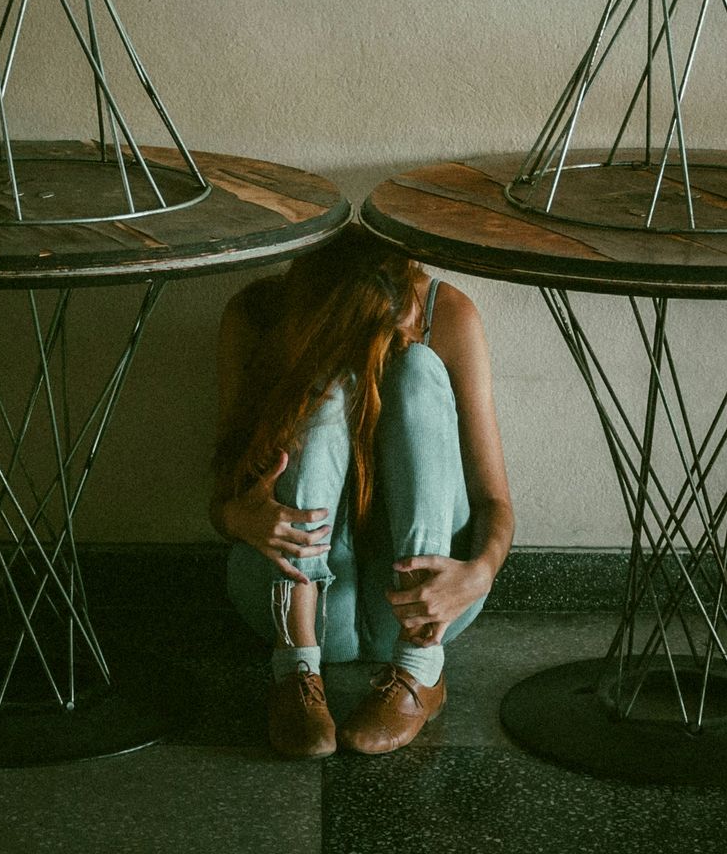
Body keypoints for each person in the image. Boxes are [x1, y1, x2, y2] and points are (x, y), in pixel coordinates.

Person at [211, 226, 513, 757]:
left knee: (417, 368)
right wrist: (243, 518)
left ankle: (420, 670)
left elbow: (495, 501)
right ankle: (294, 670)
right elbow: (219, 503)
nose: (391, 342)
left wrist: (481, 572)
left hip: (427, 604)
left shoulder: (444, 313)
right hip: (297, 608)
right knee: (323, 386)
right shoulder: (256, 315)